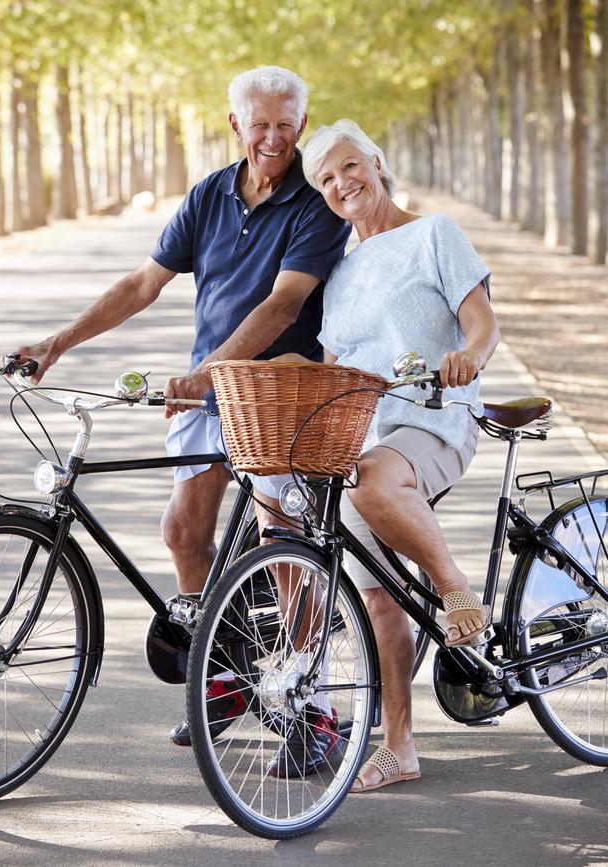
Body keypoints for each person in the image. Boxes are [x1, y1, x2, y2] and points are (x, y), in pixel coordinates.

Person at [10, 68, 350, 756]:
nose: (273, 138)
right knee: (181, 531)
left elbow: (283, 305)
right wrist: (58, 343)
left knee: (279, 543)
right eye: (260, 124)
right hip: (208, 390)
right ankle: (224, 678)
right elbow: (143, 283)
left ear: (303, 126)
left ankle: (312, 709)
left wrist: (205, 373)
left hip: (276, 394)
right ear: (236, 126)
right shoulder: (210, 195)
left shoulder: (314, 205)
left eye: (287, 124)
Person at [301, 119, 500, 792]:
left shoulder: (433, 233)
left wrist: (468, 356)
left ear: (378, 162)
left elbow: (482, 319)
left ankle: (454, 590)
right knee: (379, 595)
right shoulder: (339, 273)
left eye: (349, 166)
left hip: (435, 418)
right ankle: (401, 747)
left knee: (373, 478)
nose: (341, 183)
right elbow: (331, 364)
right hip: (365, 438)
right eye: (327, 179)